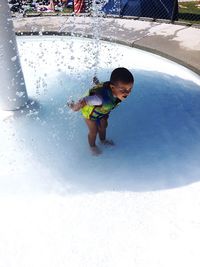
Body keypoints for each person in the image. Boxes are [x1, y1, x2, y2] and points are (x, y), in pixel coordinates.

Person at [68, 67, 134, 155]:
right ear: (112, 88)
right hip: (90, 114)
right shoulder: (99, 99)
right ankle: (92, 146)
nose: (127, 93)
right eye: (123, 90)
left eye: (130, 89)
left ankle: (103, 141)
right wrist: (75, 107)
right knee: (93, 131)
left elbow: (110, 101)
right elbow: (85, 101)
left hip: (102, 111)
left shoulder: (118, 93)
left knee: (103, 126)